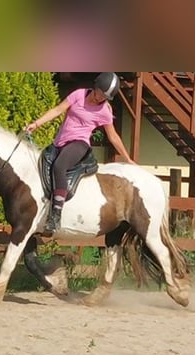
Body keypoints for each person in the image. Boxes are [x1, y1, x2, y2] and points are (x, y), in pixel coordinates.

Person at [25, 72, 134, 235]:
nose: (100, 98)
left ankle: (55, 215)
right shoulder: (78, 95)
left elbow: (113, 137)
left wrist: (128, 158)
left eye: (105, 97)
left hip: (79, 144)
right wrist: (37, 123)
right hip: (60, 142)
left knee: (60, 165)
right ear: (95, 87)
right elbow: (58, 110)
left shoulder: (104, 111)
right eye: (100, 94)